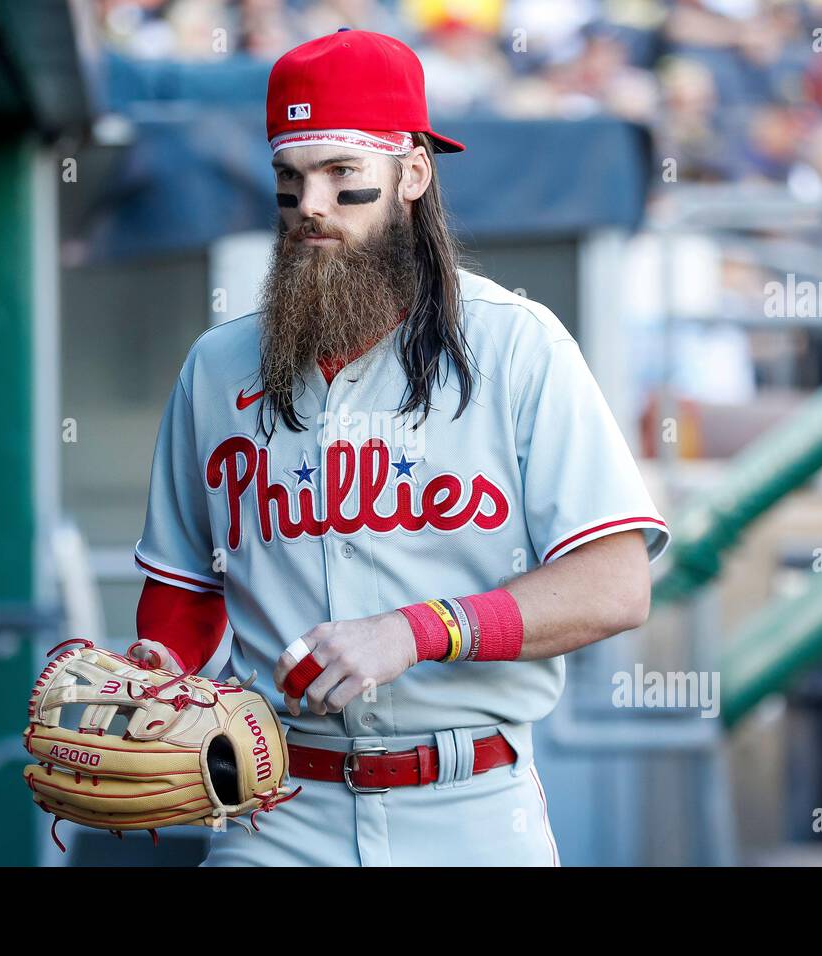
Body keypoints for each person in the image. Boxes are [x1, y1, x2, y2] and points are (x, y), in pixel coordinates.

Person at [131, 28, 669, 866]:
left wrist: (419, 630)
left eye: (344, 176)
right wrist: (155, 673)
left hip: (472, 807)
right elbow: (186, 589)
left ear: (412, 173)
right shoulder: (216, 368)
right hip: (275, 811)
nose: (311, 203)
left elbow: (615, 584)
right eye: (290, 179)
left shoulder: (517, 345)